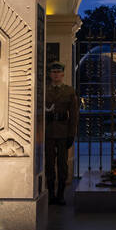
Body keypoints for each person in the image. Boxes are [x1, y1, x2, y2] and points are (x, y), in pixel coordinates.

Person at [43, 62, 79, 204]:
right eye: (53, 72)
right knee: (49, 164)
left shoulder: (69, 91)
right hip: (48, 131)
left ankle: (61, 194)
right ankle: (51, 194)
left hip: (63, 132)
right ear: (50, 74)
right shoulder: (44, 90)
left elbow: (74, 115)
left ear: (63, 74)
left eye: (58, 72)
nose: (56, 75)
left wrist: (72, 134)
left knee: (62, 165)